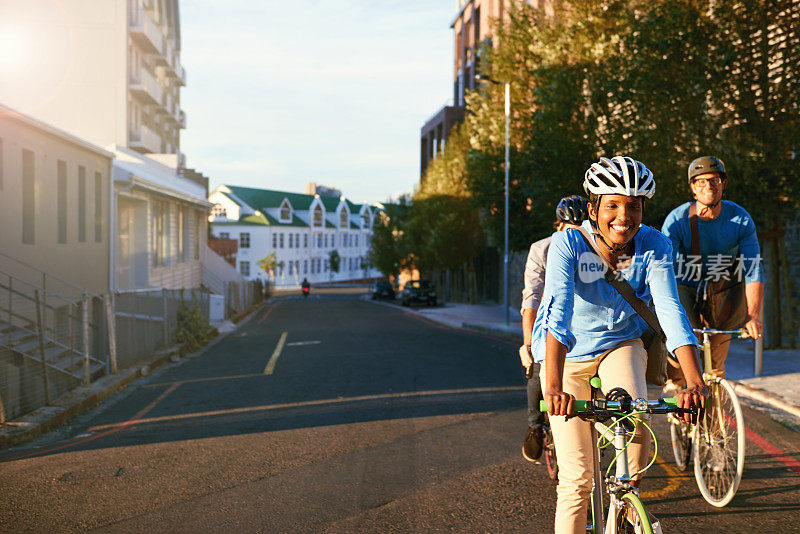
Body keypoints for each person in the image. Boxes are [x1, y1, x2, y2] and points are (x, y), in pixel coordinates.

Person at [533, 156, 707, 534]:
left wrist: (694, 380)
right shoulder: (567, 244)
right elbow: (558, 314)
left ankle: (627, 499)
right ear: (593, 208)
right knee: (578, 481)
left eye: (633, 205)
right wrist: (553, 387)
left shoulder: (654, 243)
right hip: (568, 355)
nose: (623, 216)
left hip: (620, 343)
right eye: (612, 205)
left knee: (636, 422)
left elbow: (670, 309)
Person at [661, 156, 764, 392]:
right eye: (701, 181)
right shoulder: (676, 221)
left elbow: (752, 268)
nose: (709, 186)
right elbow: (663, 268)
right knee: (687, 341)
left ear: (723, 184)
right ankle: (677, 383)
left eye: (715, 180)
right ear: (692, 187)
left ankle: (715, 424)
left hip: (721, 288)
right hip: (684, 285)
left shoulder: (740, 219)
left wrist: (753, 315)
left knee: (715, 366)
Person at [519, 195, 589, 463]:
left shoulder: (596, 246)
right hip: (549, 322)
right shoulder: (542, 249)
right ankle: (535, 426)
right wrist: (527, 344)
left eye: (580, 225)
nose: (574, 231)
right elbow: (531, 298)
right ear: (558, 225)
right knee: (537, 370)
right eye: (568, 225)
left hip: (587, 325)